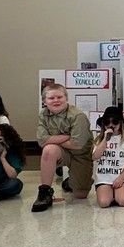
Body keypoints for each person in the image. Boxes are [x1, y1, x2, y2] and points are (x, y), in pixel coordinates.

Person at [34, 84, 94, 212]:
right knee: (49, 149)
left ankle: (69, 182)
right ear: (44, 101)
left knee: (80, 195)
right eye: (51, 98)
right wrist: (67, 136)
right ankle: (45, 192)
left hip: (80, 155)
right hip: (61, 152)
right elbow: (42, 141)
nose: (56, 100)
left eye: (59, 97)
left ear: (66, 98)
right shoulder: (43, 114)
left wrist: (53, 138)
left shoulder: (78, 116)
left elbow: (77, 144)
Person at [91, 106, 124, 208]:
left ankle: (121, 192)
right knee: (104, 203)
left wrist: (121, 179)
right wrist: (105, 139)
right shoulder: (99, 139)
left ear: (120, 123)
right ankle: (110, 193)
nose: (111, 125)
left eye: (115, 121)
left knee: (123, 201)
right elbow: (95, 157)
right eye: (107, 122)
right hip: (104, 177)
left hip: (122, 177)